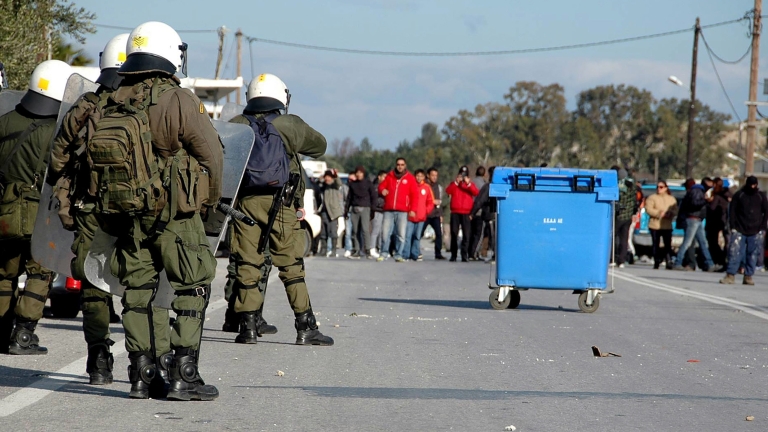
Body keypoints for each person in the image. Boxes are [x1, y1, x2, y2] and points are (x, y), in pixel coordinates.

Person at [88, 21, 222, 400]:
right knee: (192, 287)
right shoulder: (178, 98)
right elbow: (212, 155)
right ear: (169, 53)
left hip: (128, 214)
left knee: (137, 291)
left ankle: (141, 374)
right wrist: (208, 204)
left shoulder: (113, 95)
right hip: (175, 216)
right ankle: (184, 374)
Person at [48, 34, 169, 386]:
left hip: (90, 208)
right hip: (137, 209)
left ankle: (98, 359)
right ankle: (141, 363)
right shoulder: (148, 103)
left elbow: (58, 157)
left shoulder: (86, 104)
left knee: (92, 282)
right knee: (139, 282)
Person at [228, 73, 333, 348]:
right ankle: (305, 327)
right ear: (280, 96)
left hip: (245, 204)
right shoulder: (289, 124)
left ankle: (248, 327)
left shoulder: (238, 124)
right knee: (291, 266)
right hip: (281, 204)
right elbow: (320, 146)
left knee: (248, 264)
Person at [0, 60, 72, 355]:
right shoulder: (57, 132)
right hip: (40, 216)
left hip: (4, 212)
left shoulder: (4, 121)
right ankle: (23, 335)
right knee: (40, 272)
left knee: (4, 271)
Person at [720, 176, 768, 285]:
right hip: (739, 229)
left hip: (756, 230)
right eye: (750, 184)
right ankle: (730, 275)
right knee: (735, 252)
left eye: (754, 185)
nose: (752, 187)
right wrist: (733, 226)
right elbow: (732, 211)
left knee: (753, 254)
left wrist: (763, 227)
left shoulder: (761, 196)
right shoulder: (739, 195)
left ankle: (748, 276)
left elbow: (766, 212)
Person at [377, 157, 416, 262]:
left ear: (405, 166)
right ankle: (384, 253)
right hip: (388, 210)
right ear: (396, 165)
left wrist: (412, 209)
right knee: (385, 233)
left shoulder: (410, 178)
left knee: (401, 234)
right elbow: (380, 186)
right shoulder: (390, 176)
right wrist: (383, 190)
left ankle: (398, 254)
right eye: (398, 164)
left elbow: (414, 195)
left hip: (403, 210)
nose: (400, 166)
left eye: (402, 164)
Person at [674, 178, 716, 272]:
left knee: (703, 243)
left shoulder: (697, 190)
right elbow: (695, 203)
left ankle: (710, 264)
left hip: (697, 220)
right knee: (688, 242)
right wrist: (706, 200)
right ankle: (678, 262)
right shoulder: (697, 191)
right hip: (693, 219)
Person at [446, 165, 479, 262]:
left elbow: (476, 193)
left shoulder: (470, 185)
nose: (463, 176)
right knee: (454, 233)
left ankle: (464, 255)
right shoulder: (454, 184)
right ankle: (453, 254)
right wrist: (456, 182)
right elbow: (448, 191)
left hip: (466, 212)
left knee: (466, 234)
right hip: (455, 212)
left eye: (464, 175)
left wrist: (468, 184)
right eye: (461, 174)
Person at [644, 181, 678, 270]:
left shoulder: (671, 199)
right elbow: (648, 209)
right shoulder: (652, 198)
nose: (659, 189)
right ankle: (656, 261)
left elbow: (676, 210)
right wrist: (659, 213)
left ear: (666, 188)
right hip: (655, 225)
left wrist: (670, 214)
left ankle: (668, 261)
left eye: (661, 187)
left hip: (667, 225)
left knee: (667, 244)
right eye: (658, 187)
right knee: (656, 244)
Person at [345, 166, 378, 259]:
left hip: (365, 208)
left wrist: (373, 209)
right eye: (357, 172)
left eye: (360, 172)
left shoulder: (368, 183)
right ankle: (356, 250)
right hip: (354, 208)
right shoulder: (352, 184)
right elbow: (349, 198)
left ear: (363, 173)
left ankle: (367, 250)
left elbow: (374, 196)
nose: (359, 174)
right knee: (355, 231)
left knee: (365, 230)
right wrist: (346, 210)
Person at [403, 169, 434, 261]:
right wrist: (408, 210)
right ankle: (406, 254)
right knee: (408, 236)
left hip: (421, 217)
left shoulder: (427, 187)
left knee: (417, 236)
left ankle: (415, 254)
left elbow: (430, 201)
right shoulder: (410, 186)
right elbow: (406, 199)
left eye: (421, 176)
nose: (419, 177)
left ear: (424, 177)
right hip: (410, 216)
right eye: (417, 176)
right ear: (414, 176)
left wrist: (425, 211)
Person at [470, 166, 497, 263]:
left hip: (489, 214)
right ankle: (496, 254)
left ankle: (495, 256)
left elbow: (479, 201)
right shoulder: (504, 185)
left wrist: (472, 213)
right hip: (498, 215)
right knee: (496, 235)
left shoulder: (488, 186)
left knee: (492, 235)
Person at [612, 167, 635, 268]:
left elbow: (618, 198)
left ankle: (611, 258)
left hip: (619, 215)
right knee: (624, 238)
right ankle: (621, 260)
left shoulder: (620, 185)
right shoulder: (631, 184)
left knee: (612, 236)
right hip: (628, 216)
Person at [317, 169, 344, 257]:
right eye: (326, 177)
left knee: (333, 232)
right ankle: (323, 250)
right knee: (323, 232)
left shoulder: (334, 186)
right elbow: (317, 185)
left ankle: (333, 250)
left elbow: (339, 183)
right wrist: (319, 178)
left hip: (333, 212)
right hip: (324, 212)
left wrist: (336, 175)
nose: (327, 179)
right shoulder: (323, 186)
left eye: (329, 177)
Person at [706, 177, 731, 268]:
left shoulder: (717, 196)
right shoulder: (728, 195)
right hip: (726, 221)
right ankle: (726, 259)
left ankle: (720, 260)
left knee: (713, 242)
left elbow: (712, 208)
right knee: (727, 242)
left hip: (716, 221)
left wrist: (708, 201)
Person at [422, 167, 446, 260]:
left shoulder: (439, 187)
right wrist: (432, 201)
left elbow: (440, 202)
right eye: (433, 175)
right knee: (419, 233)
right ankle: (413, 250)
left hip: (435, 214)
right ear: (428, 175)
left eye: (436, 175)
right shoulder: (424, 185)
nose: (435, 177)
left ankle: (438, 253)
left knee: (439, 234)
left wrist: (441, 214)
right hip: (425, 214)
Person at [468, 166, 486, 260]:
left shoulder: (471, 182)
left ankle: (470, 252)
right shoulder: (484, 184)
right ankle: (473, 253)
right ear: (484, 174)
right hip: (479, 212)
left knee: (471, 233)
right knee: (479, 234)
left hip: (469, 210)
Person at [370, 170, 387, 255]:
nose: (385, 179)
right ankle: (372, 248)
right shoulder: (376, 187)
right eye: (384, 177)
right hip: (377, 210)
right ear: (379, 177)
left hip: (384, 211)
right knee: (375, 230)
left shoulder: (385, 187)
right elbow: (375, 200)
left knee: (381, 231)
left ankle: (379, 248)